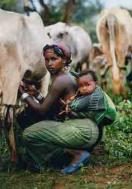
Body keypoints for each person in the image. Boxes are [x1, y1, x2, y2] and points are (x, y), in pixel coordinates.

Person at [18, 44, 100, 174]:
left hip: (81, 131)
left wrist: (23, 94)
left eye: (54, 59)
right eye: (47, 59)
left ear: (64, 60)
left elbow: (42, 110)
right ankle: (57, 157)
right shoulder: (66, 77)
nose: (49, 63)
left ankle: (75, 154)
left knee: (29, 134)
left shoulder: (61, 80)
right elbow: (52, 108)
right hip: (88, 129)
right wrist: (36, 94)